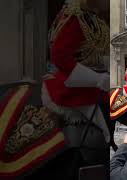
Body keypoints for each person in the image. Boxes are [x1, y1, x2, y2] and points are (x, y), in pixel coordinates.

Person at [42, 0, 110, 143]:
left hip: (96, 87)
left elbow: (96, 53)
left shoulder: (93, 18)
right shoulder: (75, 18)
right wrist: (97, 79)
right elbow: (60, 57)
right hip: (75, 91)